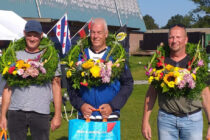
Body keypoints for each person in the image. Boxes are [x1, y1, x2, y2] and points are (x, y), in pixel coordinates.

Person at [141, 24, 210, 140]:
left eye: (178, 37)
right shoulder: (160, 62)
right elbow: (151, 93)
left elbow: (205, 94)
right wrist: (145, 122)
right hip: (166, 120)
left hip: (192, 120)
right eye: (171, 37)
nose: (174, 40)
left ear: (186, 39)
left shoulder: (196, 63)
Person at [0, 20, 62, 140]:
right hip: (16, 111)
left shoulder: (50, 56)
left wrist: (57, 116)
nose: (32, 38)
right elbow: (8, 87)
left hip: (41, 112)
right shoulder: (15, 55)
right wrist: (3, 116)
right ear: (24, 34)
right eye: (29, 35)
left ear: (41, 35)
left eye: (35, 35)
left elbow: (56, 85)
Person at [67, 18, 133, 121]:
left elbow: (128, 84)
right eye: (93, 32)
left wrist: (113, 105)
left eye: (99, 32)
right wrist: (81, 105)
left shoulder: (116, 57)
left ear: (106, 34)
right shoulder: (80, 56)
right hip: (85, 116)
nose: (95, 36)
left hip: (109, 116)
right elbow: (71, 86)